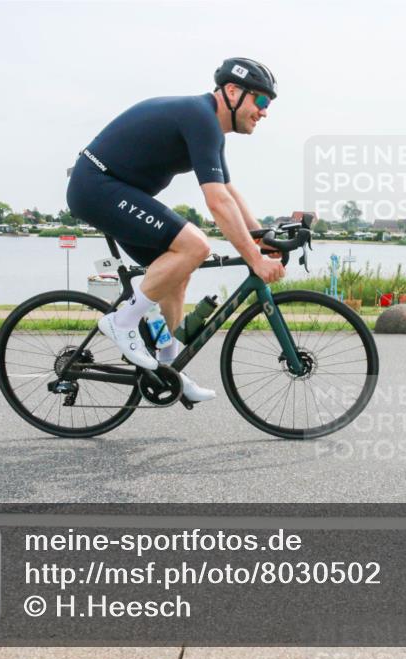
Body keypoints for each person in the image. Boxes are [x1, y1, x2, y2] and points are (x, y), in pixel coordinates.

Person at [66, 58, 286, 402]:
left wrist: (263, 238)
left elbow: (229, 192)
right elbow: (216, 203)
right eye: (260, 101)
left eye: (267, 104)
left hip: (115, 190)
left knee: (179, 269)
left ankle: (168, 366)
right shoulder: (200, 118)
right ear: (231, 91)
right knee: (195, 246)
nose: (264, 111)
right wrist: (254, 259)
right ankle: (122, 323)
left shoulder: (208, 126)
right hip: (97, 186)